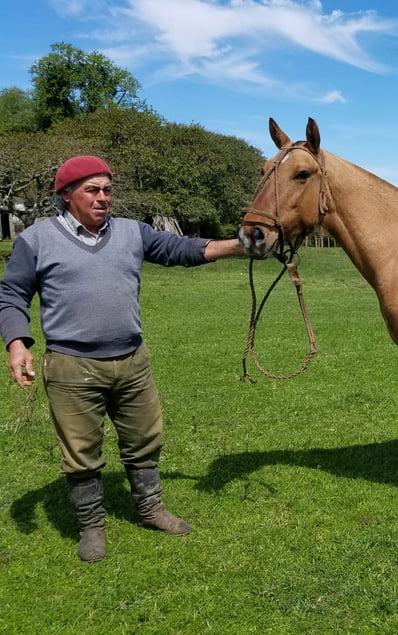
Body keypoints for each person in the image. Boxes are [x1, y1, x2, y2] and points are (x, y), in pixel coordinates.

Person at [0, 155, 245, 562]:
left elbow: (179, 249)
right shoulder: (37, 239)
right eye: (92, 190)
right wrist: (16, 342)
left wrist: (239, 245)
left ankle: (150, 509)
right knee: (80, 450)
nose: (103, 198)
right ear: (66, 195)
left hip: (132, 360)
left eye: (107, 190)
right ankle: (92, 526)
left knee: (144, 439)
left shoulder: (133, 232)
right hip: (71, 365)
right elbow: (11, 294)